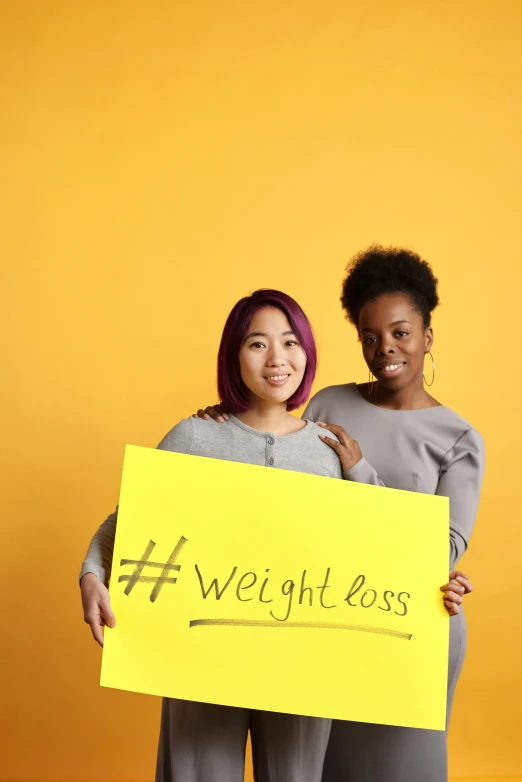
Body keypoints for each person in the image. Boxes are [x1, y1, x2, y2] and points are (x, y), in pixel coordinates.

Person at [195, 245, 485, 782]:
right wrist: (227, 422)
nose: (385, 349)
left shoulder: (460, 438)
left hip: (412, 622)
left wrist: (361, 472)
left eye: (400, 332)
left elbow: (441, 549)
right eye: (370, 337)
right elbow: (284, 469)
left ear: (427, 336)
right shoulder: (329, 404)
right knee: (319, 765)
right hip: (327, 618)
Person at [81, 289, 348, 782]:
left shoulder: (330, 452)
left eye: (291, 342)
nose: (277, 359)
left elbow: (366, 555)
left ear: (307, 352)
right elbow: (128, 521)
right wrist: (92, 576)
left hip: (301, 664)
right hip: (199, 656)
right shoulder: (193, 437)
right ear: (233, 355)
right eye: (257, 344)